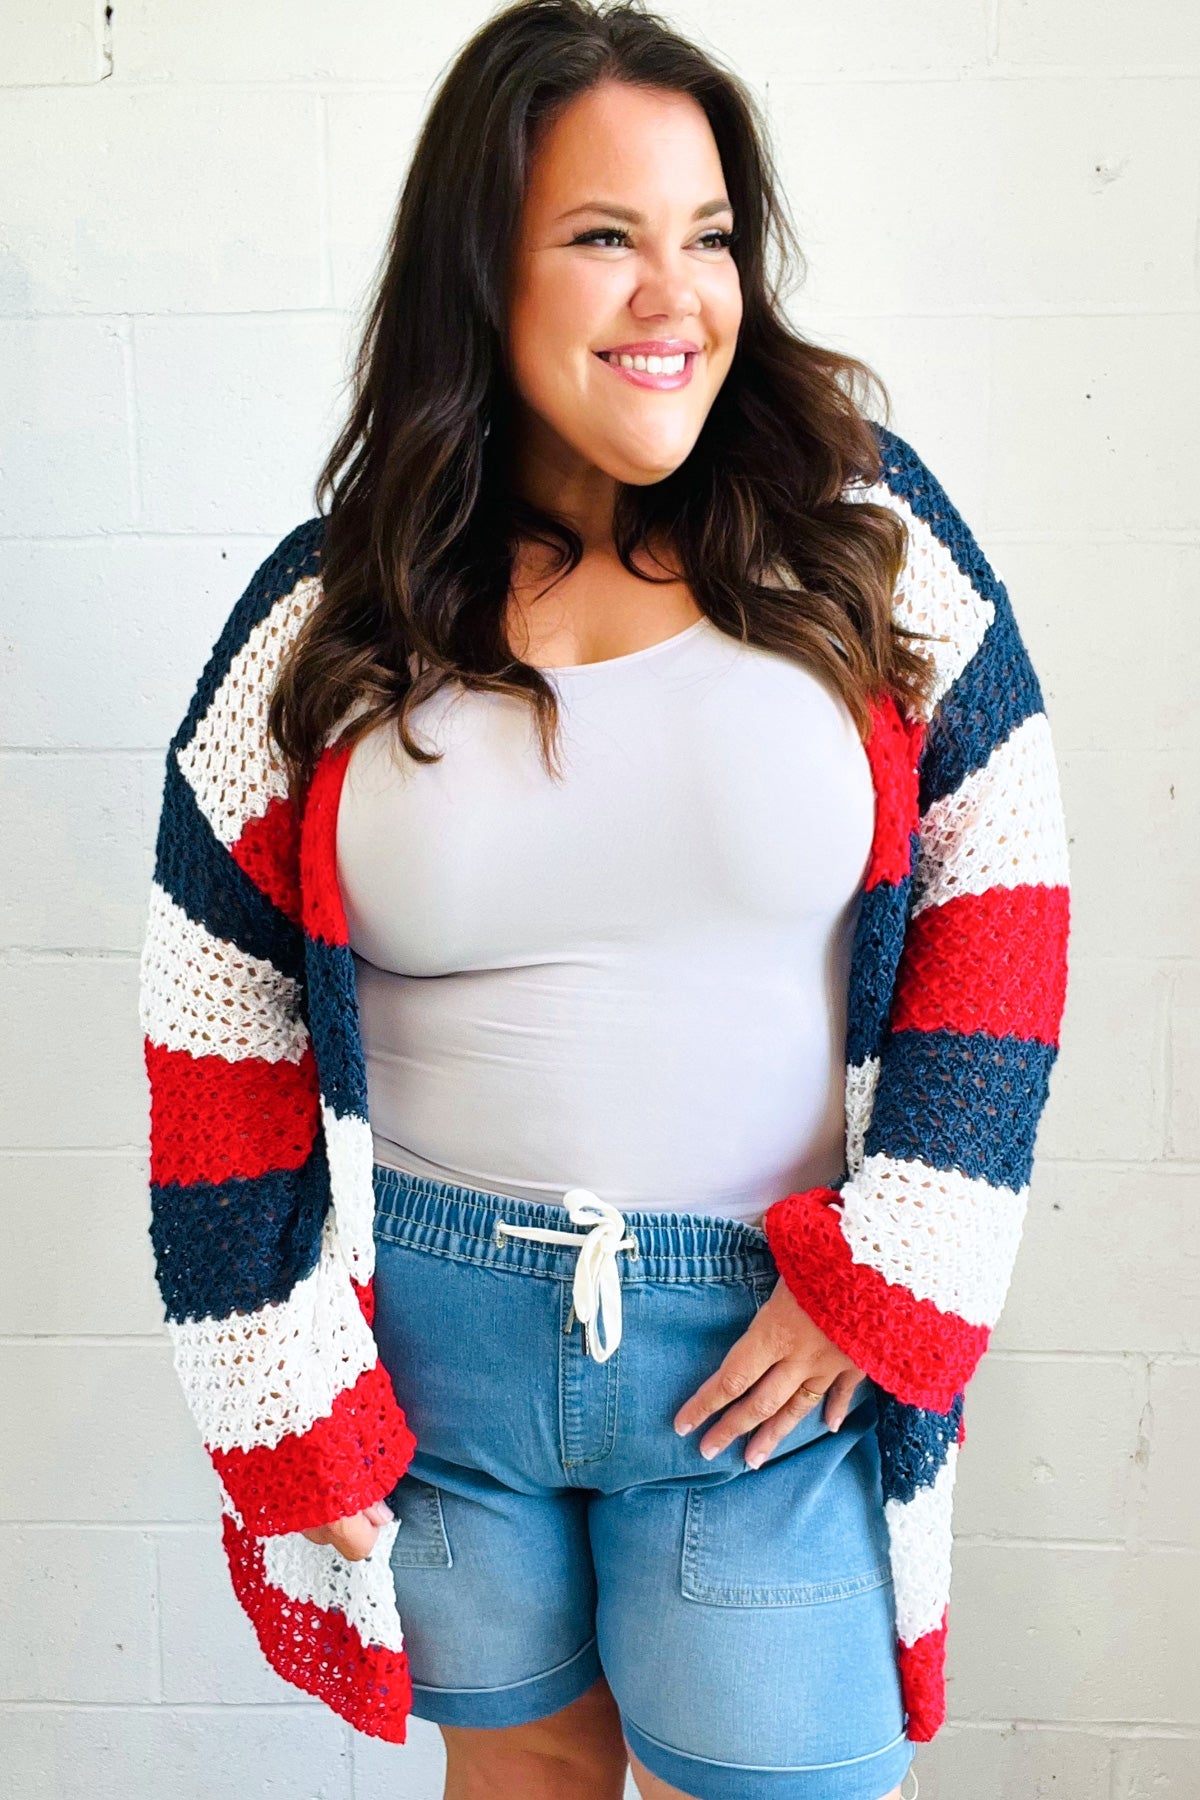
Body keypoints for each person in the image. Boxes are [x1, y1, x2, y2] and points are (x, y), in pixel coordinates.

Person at [138, 3, 1071, 1798]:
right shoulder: (332, 611)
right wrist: (279, 1383)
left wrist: (894, 1281)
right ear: (478, 269)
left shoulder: (859, 537)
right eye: (602, 239)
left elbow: (1006, 895)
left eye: (708, 237)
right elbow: (213, 1004)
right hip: (431, 1359)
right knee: (528, 1782)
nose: (677, 296)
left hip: (762, 1361)